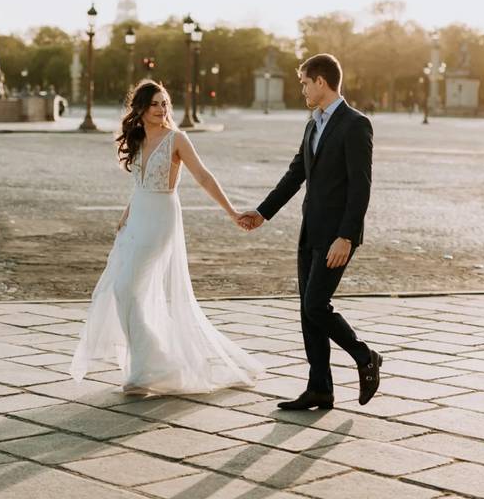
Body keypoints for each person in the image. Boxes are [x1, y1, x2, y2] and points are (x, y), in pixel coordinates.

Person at [71, 80, 263, 395]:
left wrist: (231, 211)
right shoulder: (137, 138)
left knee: (126, 288)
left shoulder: (177, 138)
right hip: (136, 218)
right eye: (156, 104)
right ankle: (148, 367)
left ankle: (150, 369)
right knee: (126, 291)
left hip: (161, 218)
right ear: (142, 109)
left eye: (165, 104)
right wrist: (126, 214)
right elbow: (140, 182)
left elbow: (203, 175)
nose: (162, 109)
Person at [239, 53, 382, 410]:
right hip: (310, 231)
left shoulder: (355, 124)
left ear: (321, 81)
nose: (301, 88)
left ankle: (365, 356)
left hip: (337, 236)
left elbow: (360, 187)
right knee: (307, 311)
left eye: (304, 82)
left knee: (316, 305)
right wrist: (262, 213)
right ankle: (320, 388)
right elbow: (295, 175)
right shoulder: (312, 125)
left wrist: (346, 236)